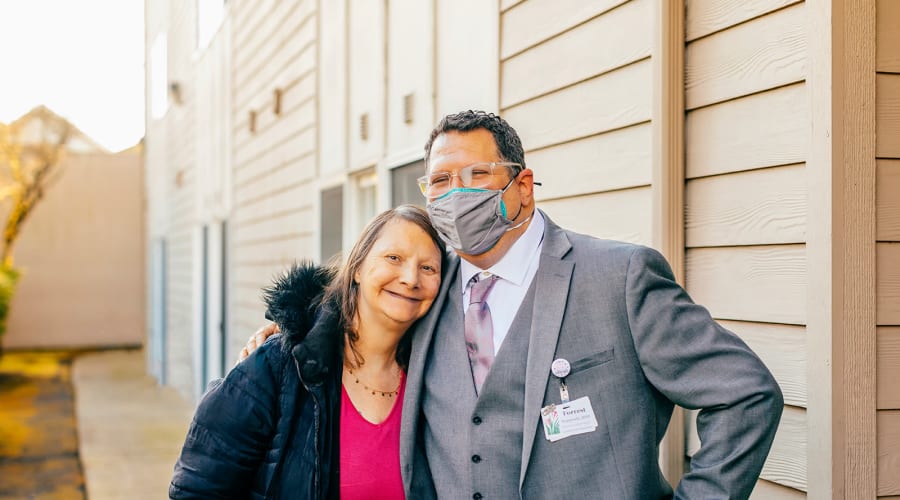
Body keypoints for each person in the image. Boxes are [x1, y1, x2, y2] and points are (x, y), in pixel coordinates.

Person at [243, 110, 784, 499]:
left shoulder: (618, 277)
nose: (457, 193)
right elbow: (366, 301)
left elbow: (746, 394)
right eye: (440, 181)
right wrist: (297, 325)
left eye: (478, 176)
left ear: (523, 186)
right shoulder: (426, 286)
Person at [169, 204, 445, 499]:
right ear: (357, 269)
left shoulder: (433, 374)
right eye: (394, 258)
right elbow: (198, 491)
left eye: (428, 267)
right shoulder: (278, 366)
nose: (410, 278)